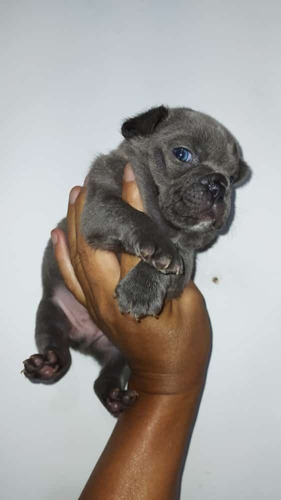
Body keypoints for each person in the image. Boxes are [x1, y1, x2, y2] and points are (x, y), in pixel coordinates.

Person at [51, 164, 212, 500]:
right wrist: (167, 385)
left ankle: (106, 380)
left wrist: (164, 385)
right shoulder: (119, 171)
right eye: (182, 154)